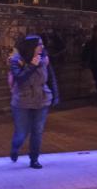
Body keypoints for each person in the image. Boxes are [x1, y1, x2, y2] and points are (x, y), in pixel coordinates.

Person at [8, 35, 60, 169]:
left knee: (37, 131)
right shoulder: (16, 60)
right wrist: (31, 66)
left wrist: (55, 94)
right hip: (22, 101)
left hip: (41, 99)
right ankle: (15, 147)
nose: (42, 47)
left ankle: (34, 159)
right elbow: (19, 78)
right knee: (21, 133)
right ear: (31, 47)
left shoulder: (45, 59)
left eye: (42, 44)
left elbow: (51, 78)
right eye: (39, 44)